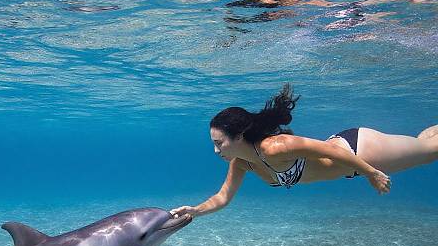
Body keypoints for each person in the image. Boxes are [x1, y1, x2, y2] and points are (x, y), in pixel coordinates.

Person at [170, 84, 438, 218]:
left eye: (219, 143)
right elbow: (222, 197)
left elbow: (329, 151)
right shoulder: (241, 162)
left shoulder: (276, 147)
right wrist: (195, 210)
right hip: (352, 168)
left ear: (239, 136)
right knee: (424, 145)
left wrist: (371, 173)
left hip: (361, 150)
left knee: (430, 151)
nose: (216, 151)